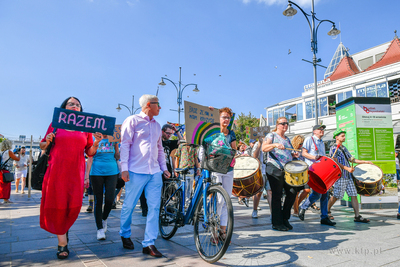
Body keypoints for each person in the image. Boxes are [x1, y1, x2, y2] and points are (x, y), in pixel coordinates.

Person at [39, 96, 102, 259]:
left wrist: (96, 143)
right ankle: (62, 243)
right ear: (64, 108)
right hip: (57, 171)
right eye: (71, 104)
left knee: (71, 205)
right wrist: (47, 141)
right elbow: (43, 146)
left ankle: (63, 230)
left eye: (78, 105)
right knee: (57, 202)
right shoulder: (55, 124)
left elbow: (89, 152)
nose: (75, 106)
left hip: (76, 172)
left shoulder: (85, 128)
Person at [119, 94, 170, 258]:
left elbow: (159, 148)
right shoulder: (132, 120)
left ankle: (149, 243)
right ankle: (125, 233)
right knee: (129, 205)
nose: (160, 107)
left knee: (154, 207)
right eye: (158, 104)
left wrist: (164, 168)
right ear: (149, 104)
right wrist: (124, 168)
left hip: (154, 172)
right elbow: (125, 144)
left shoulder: (157, 126)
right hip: (135, 171)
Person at [327, 129, 373, 223]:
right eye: (342, 136)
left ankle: (357, 216)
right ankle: (326, 211)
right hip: (341, 176)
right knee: (336, 196)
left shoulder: (343, 148)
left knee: (353, 195)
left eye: (344, 135)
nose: (344, 137)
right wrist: (347, 168)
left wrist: (365, 162)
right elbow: (335, 162)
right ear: (337, 137)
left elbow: (351, 159)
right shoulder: (333, 148)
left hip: (348, 176)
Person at [262, 117, 299, 231]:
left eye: (287, 124)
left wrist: (293, 155)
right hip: (274, 167)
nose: (285, 125)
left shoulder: (287, 139)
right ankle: (277, 223)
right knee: (277, 195)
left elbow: (289, 152)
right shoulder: (271, 135)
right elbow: (264, 148)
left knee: (292, 191)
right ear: (277, 125)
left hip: (287, 169)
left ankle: (284, 218)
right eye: (283, 123)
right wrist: (274, 145)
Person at [298, 125, 336, 226]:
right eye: (320, 129)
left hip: (321, 171)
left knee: (325, 193)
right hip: (312, 170)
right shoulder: (309, 139)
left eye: (323, 129)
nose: (322, 130)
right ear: (314, 131)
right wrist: (314, 157)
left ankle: (324, 217)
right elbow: (304, 153)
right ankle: (304, 207)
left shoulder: (322, 143)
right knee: (318, 193)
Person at [85, 134, 120, 240]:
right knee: (98, 200)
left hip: (112, 172)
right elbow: (90, 158)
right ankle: (99, 228)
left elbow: (117, 156)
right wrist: (87, 177)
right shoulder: (93, 138)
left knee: (110, 199)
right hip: (96, 172)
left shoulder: (114, 139)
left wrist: (118, 144)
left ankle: (104, 219)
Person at [174, 135, 201, 205]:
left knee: (189, 187)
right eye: (186, 136)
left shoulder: (193, 147)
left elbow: (195, 159)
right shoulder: (181, 146)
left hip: (191, 169)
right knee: (184, 187)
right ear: (184, 137)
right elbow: (177, 157)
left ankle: (187, 203)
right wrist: (176, 169)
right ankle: (181, 203)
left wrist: (198, 168)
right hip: (183, 169)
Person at [290, 135, 310, 216]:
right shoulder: (291, 149)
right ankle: (296, 211)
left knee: (307, 190)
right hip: (295, 173)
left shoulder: (303, 150)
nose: (301, 145)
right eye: (300, 143)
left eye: (302, 143)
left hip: (304, 172)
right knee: (296, 193)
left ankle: (297, 205)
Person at [250, 138, 269, 218]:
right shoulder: (257, 144)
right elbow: (254, 156)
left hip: (270, 170)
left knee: (270, 192)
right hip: (260, 171)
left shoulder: (270, 142)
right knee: (258, 193)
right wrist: (259, 144)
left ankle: (273, 214)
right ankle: (254, 210)